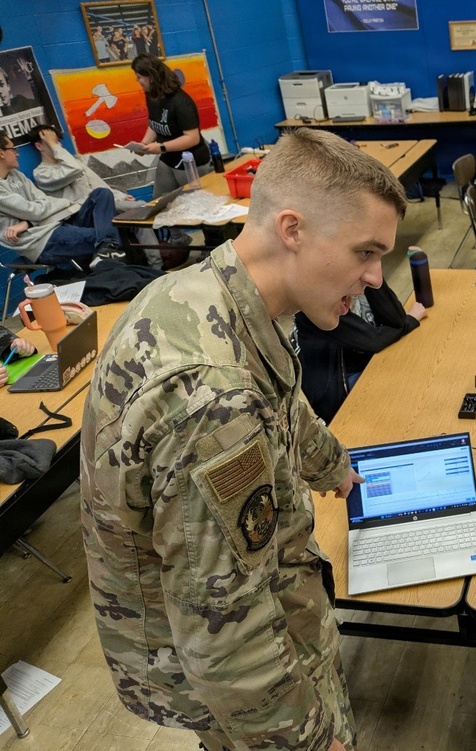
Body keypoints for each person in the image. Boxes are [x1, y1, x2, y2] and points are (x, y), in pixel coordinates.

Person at [79, 128, 407, 751]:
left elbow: (286, 400)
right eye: (365, 251)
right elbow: (223, 624)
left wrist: (331, 465)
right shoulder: (210, 397)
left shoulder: (231, 291)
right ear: (293, 229)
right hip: (241, 678)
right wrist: (309, 742)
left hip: (268, 609)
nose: (374, 276)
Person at [295, 283, 426, 422]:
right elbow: (374, 341)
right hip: (339, 386)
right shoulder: (318, 300)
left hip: (367, 359)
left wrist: (373, 282)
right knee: (408, 395)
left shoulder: (365, 277)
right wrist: (410, 320)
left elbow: (396, 321)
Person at [0, 132, 120, 265]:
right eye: (13, 149)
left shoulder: (16, 175)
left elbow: (43, 202)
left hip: (55, 223)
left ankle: (108, 256)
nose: (17, 153)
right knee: (106, 237)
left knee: (101, 194)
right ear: (1, 153)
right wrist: (65, 203)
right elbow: (34, 211)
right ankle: (112, 261)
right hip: (41, 240)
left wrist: (27, 222)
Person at [131, 53, 212, 197]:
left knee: (192, 204)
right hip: (168, 158)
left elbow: (192, 138)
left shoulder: (181, 102)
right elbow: (154, 123)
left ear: (151, 76)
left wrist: (161, 147)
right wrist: (144, 145)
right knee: (159, 200)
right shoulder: (152, 95)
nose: (138, 81)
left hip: (190, 160)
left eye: (139, 77)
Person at [30, 125, 139, 213]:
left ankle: (150, 241)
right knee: (139, 208)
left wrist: (120, 196)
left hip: (101, 205)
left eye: (58, 141)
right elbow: (74, 170)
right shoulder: (41, 174)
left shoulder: (73, 162)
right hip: (81, 213)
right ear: (39, 146)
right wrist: (54, 145)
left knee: (142, 210)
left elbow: (97, 184)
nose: (59, 145)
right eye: (53, 142)